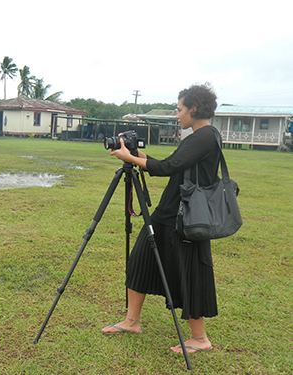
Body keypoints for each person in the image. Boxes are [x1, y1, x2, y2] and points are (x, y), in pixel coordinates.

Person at [101, 83, 220, 354]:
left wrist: (130, 157)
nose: (177, 115)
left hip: (185, 219)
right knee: (140, 260)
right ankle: (132, 321)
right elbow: (171, 165)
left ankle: (199, 339)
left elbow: (169, 168)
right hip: (166, 214)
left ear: (194, 108)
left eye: (179, 110)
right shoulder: (196, 137)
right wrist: (141, 156)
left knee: (188, 273)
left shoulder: (205, 136)